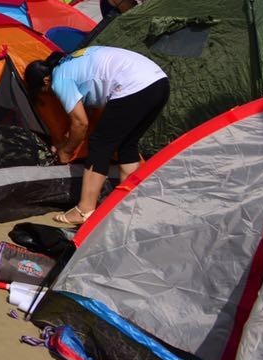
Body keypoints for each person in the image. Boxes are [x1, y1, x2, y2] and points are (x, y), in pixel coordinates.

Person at [24, 47, 169, 226]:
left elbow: (81, 123)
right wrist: (65, 142)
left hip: (133, 86)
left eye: (45, 92)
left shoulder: (59, 78)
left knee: (100, 145)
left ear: (46, 81)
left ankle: (84, 210)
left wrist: (66, 152)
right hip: (159, 82)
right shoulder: (70, 62)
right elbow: (81, 119)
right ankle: (130, 203)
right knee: (127, 144)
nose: (52, 96)